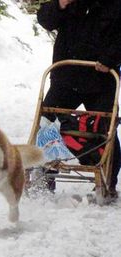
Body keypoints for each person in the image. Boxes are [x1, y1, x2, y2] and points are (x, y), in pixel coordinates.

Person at [37, 0, 121, 196]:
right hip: (66, 76)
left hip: (101, 79)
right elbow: (46, 20)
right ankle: (45, 176)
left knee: (105, 128)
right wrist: (60, 5)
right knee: (47, 123)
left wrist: (110, 58)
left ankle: (107, 181)